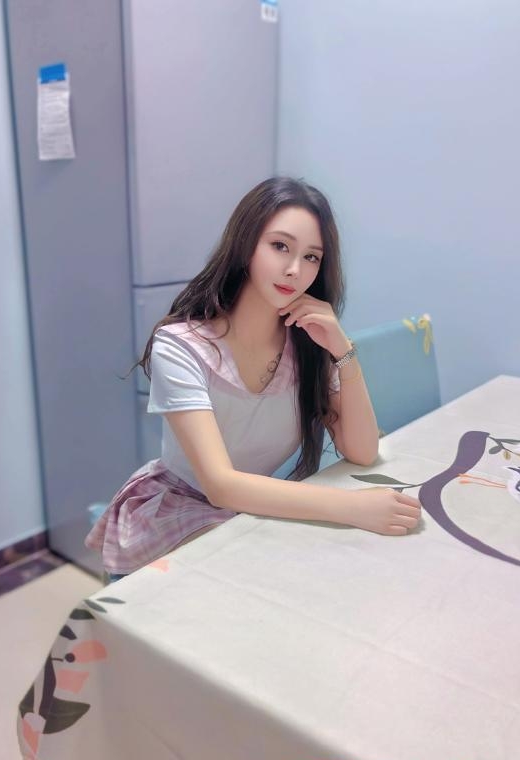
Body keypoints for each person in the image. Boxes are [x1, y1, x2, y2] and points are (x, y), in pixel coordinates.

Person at [85, 177, 421, 580]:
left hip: (247, 509)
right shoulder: (181, 346)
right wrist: (353, 507)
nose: (294, 270)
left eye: (311, 257)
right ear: (246, 244)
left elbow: (363, 451)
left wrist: (343, 350)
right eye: (280, 246)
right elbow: (221, 486)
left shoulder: (307, 345)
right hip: (179, 509)